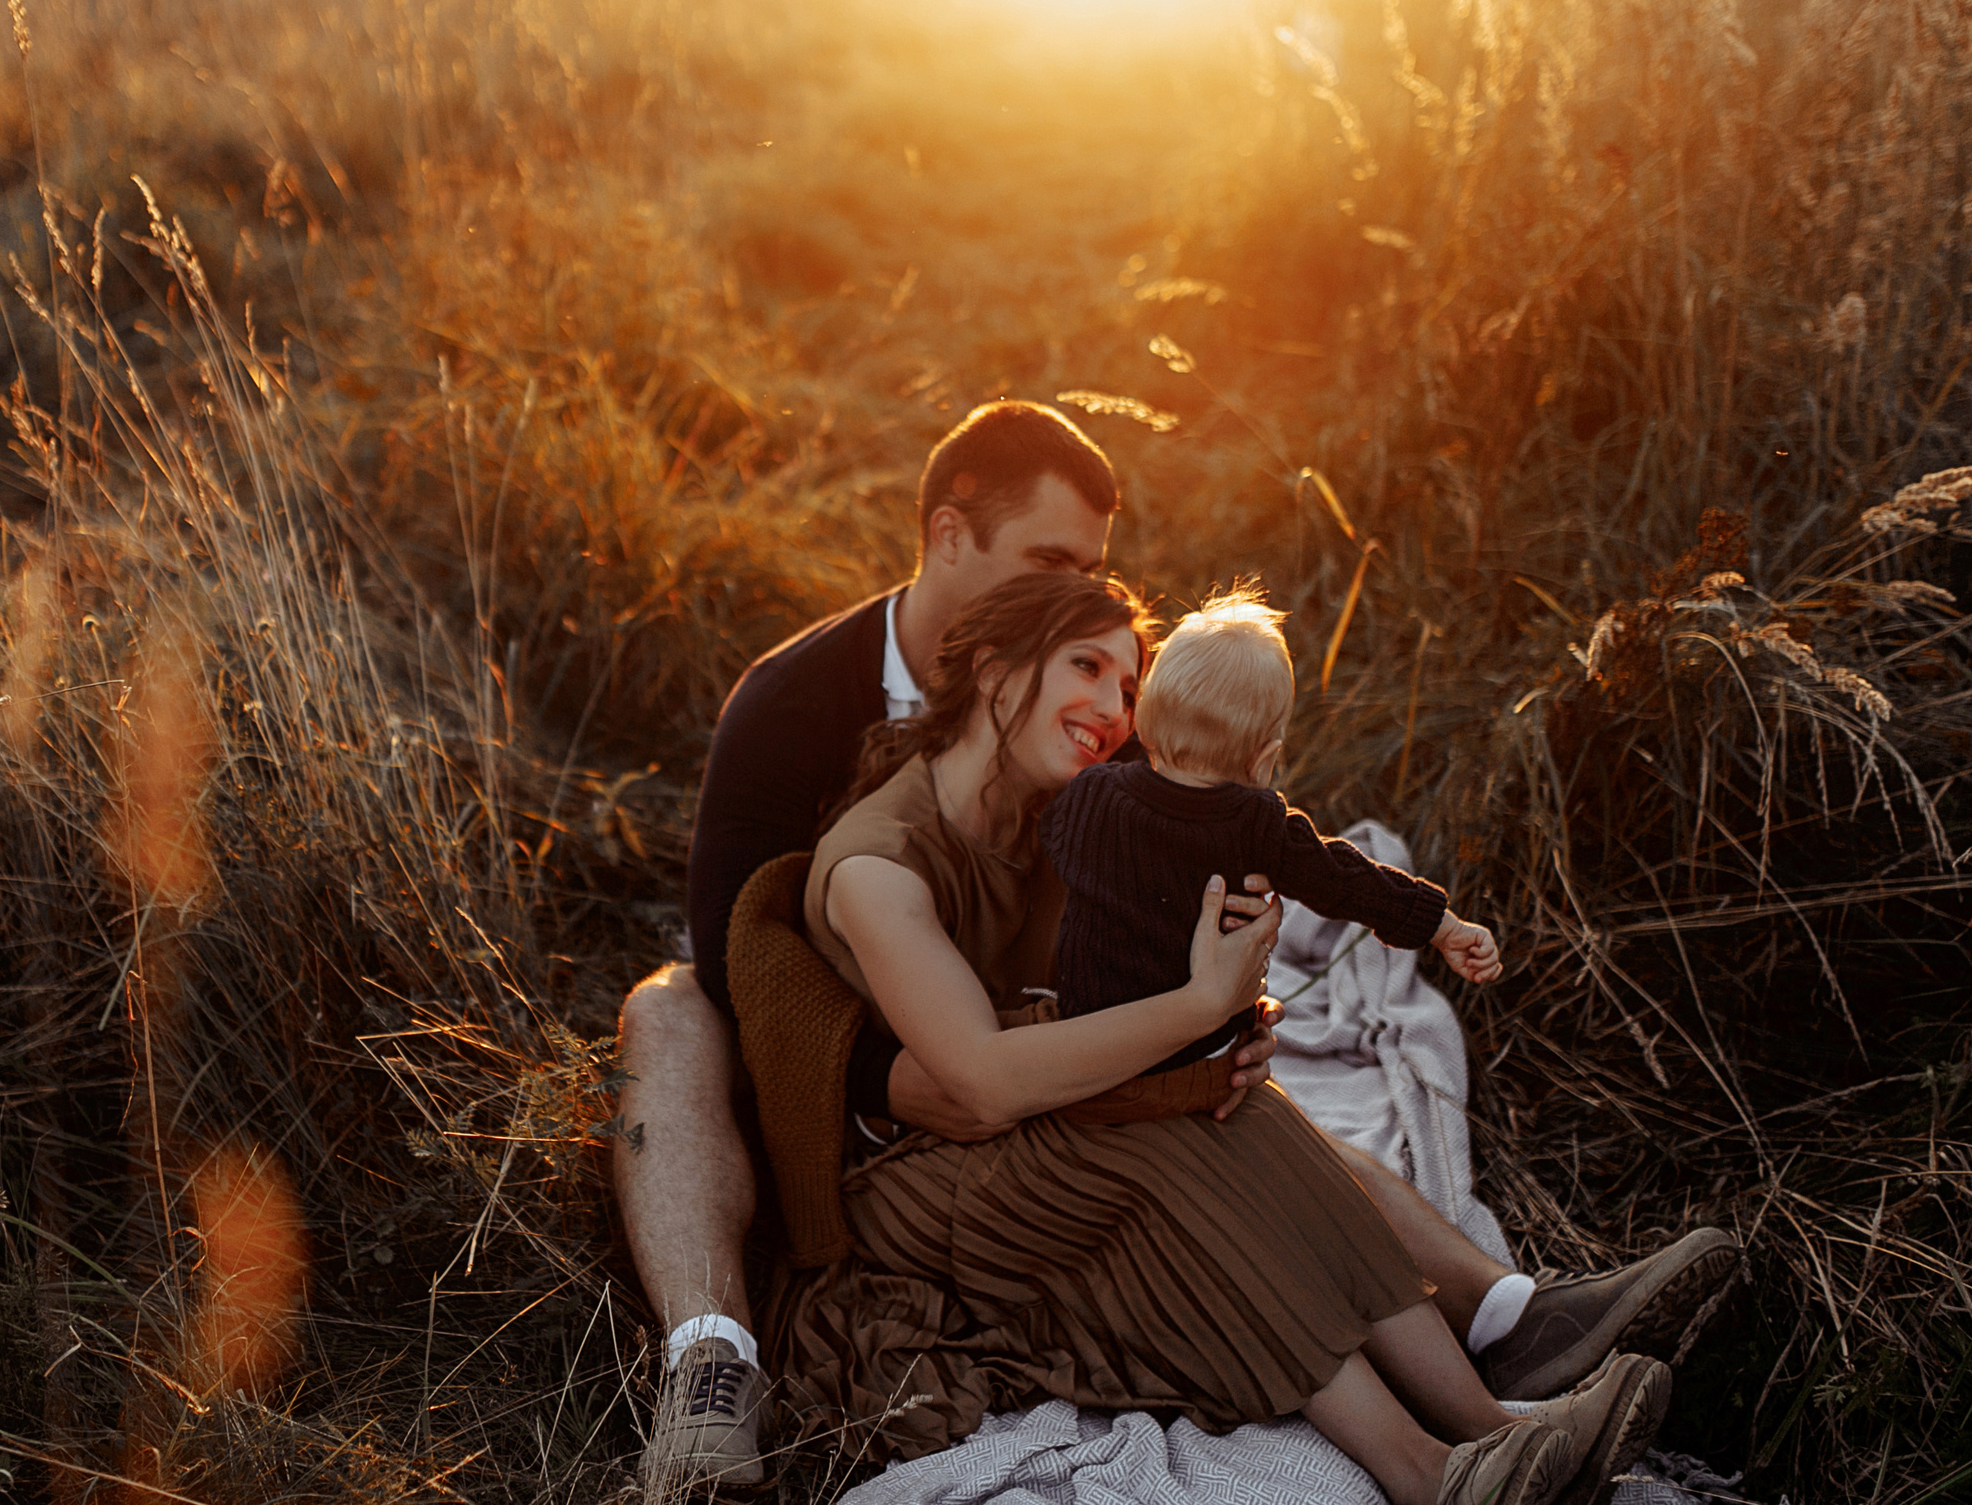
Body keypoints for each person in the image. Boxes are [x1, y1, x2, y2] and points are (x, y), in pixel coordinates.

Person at [612, 401, 1737, 1489]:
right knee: (669, 1009)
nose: (1105, 681)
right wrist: (904, 1079)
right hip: (865, 1085)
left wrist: (1218, 1024)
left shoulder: (1069, 749)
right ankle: (712, 1360)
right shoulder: (802, 719)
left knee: (1223, 1114)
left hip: (1008, 1034)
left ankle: (1504, 1340)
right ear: (950, 539)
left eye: (1118, 661)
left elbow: (1119, 915)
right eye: (1051, 572)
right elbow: (736, 963)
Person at [739, 571, 1670, 1505]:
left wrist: (1230, 1032)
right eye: (1087, 667)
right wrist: (1196, 1010)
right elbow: (980, 1081)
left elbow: (1153, 940)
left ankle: (1490, 1426)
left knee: (1256, 1132)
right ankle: (1426, 1473)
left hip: (1043, 1119)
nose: (1113, 709)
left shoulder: (1069, 809)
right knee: (1186, 1168)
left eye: (1131, 686)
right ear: (993, 671)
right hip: (914, 1187)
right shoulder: (880, 863)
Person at [1044, 587, 1504, 1064]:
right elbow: (1343, 880)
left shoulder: (1090, 794)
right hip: (1197, 1061)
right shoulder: (1257, 824)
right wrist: (1441, 925)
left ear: (1140, 718)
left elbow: (1055, 840)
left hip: (1085, 1051)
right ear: (1265, 759)